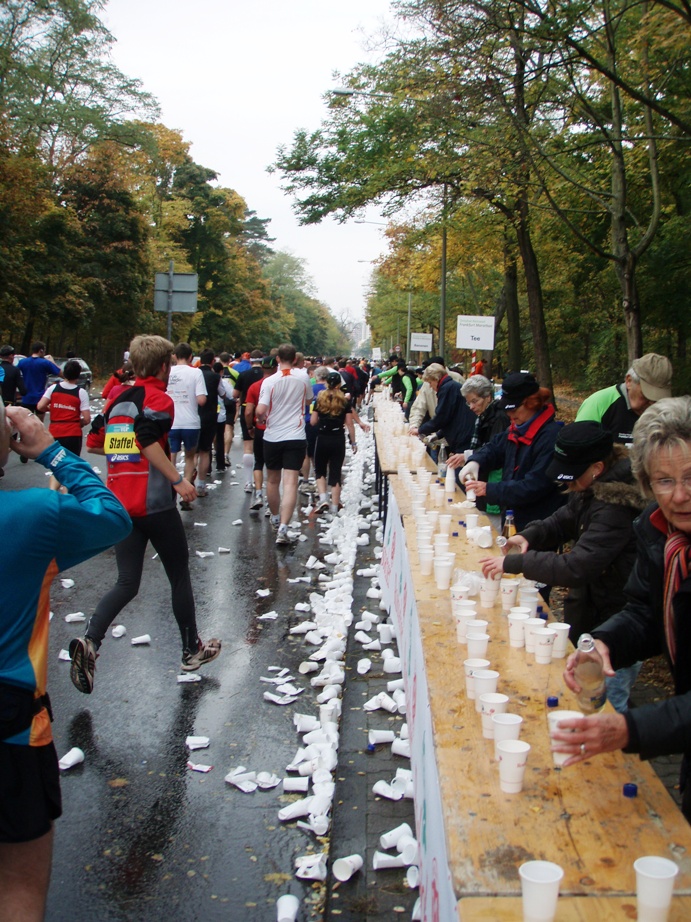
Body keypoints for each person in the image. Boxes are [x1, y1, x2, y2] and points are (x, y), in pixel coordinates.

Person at [0, 400, 130, 922]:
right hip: (11, 722)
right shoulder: (32, 513)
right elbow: (112, 512)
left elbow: (116, 442)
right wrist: (54, 450)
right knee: (17, 888)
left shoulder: (123, 396)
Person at [553, 397, 691, 822]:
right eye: (665, 481)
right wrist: (606, 641)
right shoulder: (659, 532)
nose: (681, 495)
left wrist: (629, 729)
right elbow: (647, 612)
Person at [68, 335, 221, 695]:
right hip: (154, 503)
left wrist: (124, 454)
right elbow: (148, 438)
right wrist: (178, 479)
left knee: (127, 582)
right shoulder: (158, 399)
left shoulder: (117, 399)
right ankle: (190, 651)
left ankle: (91, 641)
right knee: (179, 575)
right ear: (164, 367)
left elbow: (95, 441)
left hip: (120, 501)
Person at [480, 421, 646, 711]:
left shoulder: (616, 505)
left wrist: (516, 562)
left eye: (571, 476)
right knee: (580, 702)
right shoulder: (593, 485)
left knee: (604, 709)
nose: (567, 484)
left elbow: (577, 565)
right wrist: (529, 535)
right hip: (591, 613)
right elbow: (563, 518)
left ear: (596, 467)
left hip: (616, 621)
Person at [458, 371, 564, 531]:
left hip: (538, 526)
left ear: (532, 403)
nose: (509, 414)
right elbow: (494, 448)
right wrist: (475, 461)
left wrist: (490, 489)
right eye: (507, 409)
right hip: (511, 518)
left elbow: (534, 485)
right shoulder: (515, 429)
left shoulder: (551, 437)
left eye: (514, 409)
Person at [256, 343, 311, 546]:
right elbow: (308, 401)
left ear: (277, 359)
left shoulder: (269, 381)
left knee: (272, 481)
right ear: (295, 359)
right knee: (290, 483)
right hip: (295, 435)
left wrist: (260, 418)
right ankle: (284, 528)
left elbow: (261, 410)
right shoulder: (303, 378)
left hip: (272, 436)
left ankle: (276, 517)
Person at [575, 353, 672, 445]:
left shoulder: (668, 412)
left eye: (658, 399)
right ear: (629, 381)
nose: (652, 403)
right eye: (646, 395)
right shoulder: (598, 403)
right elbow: (577, 449)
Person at [448, 374, 509, 517]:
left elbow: (495, 450)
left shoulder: (499, 418)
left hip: (493, 480)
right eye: (469, 403)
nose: (471, 407)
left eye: (475, 401)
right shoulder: (483, 416)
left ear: (488, 397)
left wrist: (469, 456)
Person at [36, 359, 91, 493]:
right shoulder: (80, 392)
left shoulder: (53, 388)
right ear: (78, 376)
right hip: (72, 433)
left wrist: (54, 409)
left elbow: (40, 406)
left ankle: (52, 493)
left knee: (57, 465)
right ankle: (66, 496)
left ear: (64, 373)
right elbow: (87, 418)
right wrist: (80, 422)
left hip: (55, 432)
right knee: (71, 466)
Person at [310, 371, 357, 515]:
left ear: (326, 383)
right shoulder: (344, 401)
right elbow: (349, 424)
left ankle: (323, 499)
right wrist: (353, 443)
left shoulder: (320, 399)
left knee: (320, 470)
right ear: (339, 385)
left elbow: (313, 422)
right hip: (338, 438)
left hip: (323, 437)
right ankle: (335, 507)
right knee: (336, 472)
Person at [166, 342, 207, 503]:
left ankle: (170, 491)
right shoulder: (196, 373)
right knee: (190, 457)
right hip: (191, 422)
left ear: (174, 356)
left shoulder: (168, 372)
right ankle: (187, 491)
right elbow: (202, 400)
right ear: (191, 357)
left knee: (171, 457)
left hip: (171, 422)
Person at [410, 363, 475, 455]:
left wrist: (420, 430)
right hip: (462, 435)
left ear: (436, 379)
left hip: (462, 437)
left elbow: (441, 417)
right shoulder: (452, 386)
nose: (430, 386)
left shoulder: (446, 389)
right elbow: (450, 418)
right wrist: (438, 435)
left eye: (430, 382)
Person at [244, 356, 275, 511]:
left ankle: (258, 494)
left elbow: (249, 411)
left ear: (262, 368)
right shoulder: (280, 385)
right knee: (273, 467)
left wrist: (250, 426)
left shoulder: (255, 387)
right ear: (276, 368)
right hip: (276, 430)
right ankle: (271, 502)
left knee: (259, 462)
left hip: (260, 429)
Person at [196, 348, 225, 497]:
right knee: (205, 451)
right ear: (213, 361)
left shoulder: (193, 374)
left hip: (193, 416)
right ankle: (201, 485)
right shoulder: (215, 377)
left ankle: (188, 481)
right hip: (209, 416)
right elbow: (223, 393)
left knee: (191, 453)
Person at [233, 350, 264, 493]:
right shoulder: (266, 376)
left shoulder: (243, 375)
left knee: (248, 446)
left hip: (247, 409)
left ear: (250, 360)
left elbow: (235, 394)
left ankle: (248, 482)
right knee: (265, 449)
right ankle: (264, 482)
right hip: (265, 413)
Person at [408, 356, 464, 432]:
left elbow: (443, 415)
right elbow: (419, 406)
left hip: (455, 431)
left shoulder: (457, 379)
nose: (430, 385)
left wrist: (420, 430)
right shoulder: (427, 383)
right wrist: (414, 425)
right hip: (437, 429)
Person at [17, 342, 60, 418]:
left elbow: (15, 373)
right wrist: (52, 362)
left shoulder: (22, 362)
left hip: (26, 398)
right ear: (41, 351)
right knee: (40, 423)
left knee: (27, 423)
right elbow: (61, 374)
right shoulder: (45, 363)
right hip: (40, 398)